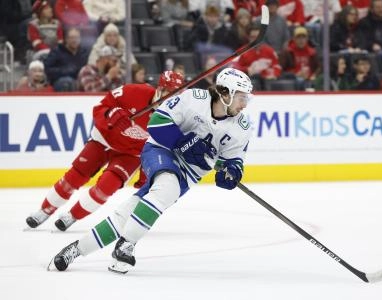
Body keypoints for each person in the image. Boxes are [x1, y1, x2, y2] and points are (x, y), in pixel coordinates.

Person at [48, 67, 253, 273]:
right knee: (168, 187)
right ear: (224, 93)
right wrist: (182, 143)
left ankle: (76, 249)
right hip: (160, 149)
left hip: (189, 173)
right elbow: (157, 122)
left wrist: (232, 172)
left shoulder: (243, 126)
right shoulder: (192, 99)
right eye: (241, 98)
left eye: (247, 99)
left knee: (126, 214)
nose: (245, 104)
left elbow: (234, 158)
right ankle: (127, 244)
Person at [25, 71, 185, 231]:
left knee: (107, 187)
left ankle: (73, 216)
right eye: (166, 92)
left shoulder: (176, 118)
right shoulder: (133, 91)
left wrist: (147, 172)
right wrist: (111, 114)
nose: (168, 98)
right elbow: (102, 107)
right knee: (75, 176)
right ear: (159, 88)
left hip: (131, 154)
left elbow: (160, 146)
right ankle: (45, 210)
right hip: (103, 139)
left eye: (174, 95)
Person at [44, 27, 88, 91]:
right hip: (61, 80)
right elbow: (47, 69)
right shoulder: (57, 51)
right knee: (67, 82)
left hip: (81, 80)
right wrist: (65, 71)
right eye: (72, 38)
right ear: (66, 39)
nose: (74, 40)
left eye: (76, 37)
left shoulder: (84, 52)